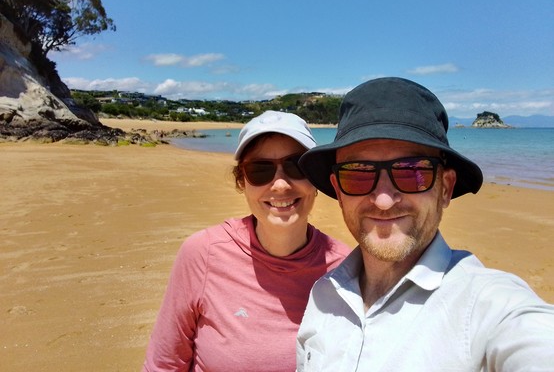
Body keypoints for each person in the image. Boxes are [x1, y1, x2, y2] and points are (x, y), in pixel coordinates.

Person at [296, 77, 554, 371]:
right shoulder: (323, 295)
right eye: (359, 173)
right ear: (339, 191)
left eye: (412, 172)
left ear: (445, 188)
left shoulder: (485, 305)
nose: (383, 200)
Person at [142, 111, 351, 372]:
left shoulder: (345, 269)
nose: (280, 185)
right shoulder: (203, 254)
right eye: (260, 170)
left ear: (315, 180)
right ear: (242, 181)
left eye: (296, 166)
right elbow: (164, 364)